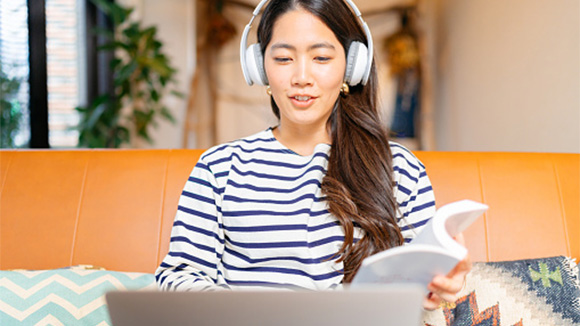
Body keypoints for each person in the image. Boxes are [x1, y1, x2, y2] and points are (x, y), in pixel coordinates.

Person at [155, 0, 470, 310]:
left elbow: (420, 282)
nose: (301, 77)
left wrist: (438, 282)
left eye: (320, 57)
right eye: (283, 59)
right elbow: (178, 277)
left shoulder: (400, 169)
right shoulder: (218, 168)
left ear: (351, 65)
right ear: (259, 66)